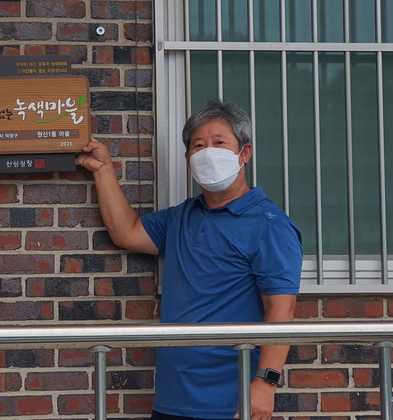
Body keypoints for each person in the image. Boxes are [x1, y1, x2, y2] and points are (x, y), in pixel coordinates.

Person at [76, 99, 302, 420]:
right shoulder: (181, 217)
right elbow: (127, 232)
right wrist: (102, 170)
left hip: (231, 402)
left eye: (219, 143)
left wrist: (266, 383)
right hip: (172, 398)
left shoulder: (270, 225)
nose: (208, 152)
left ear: (244, 153)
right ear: (188, 158)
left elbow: (281, 310)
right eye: (198, 145)